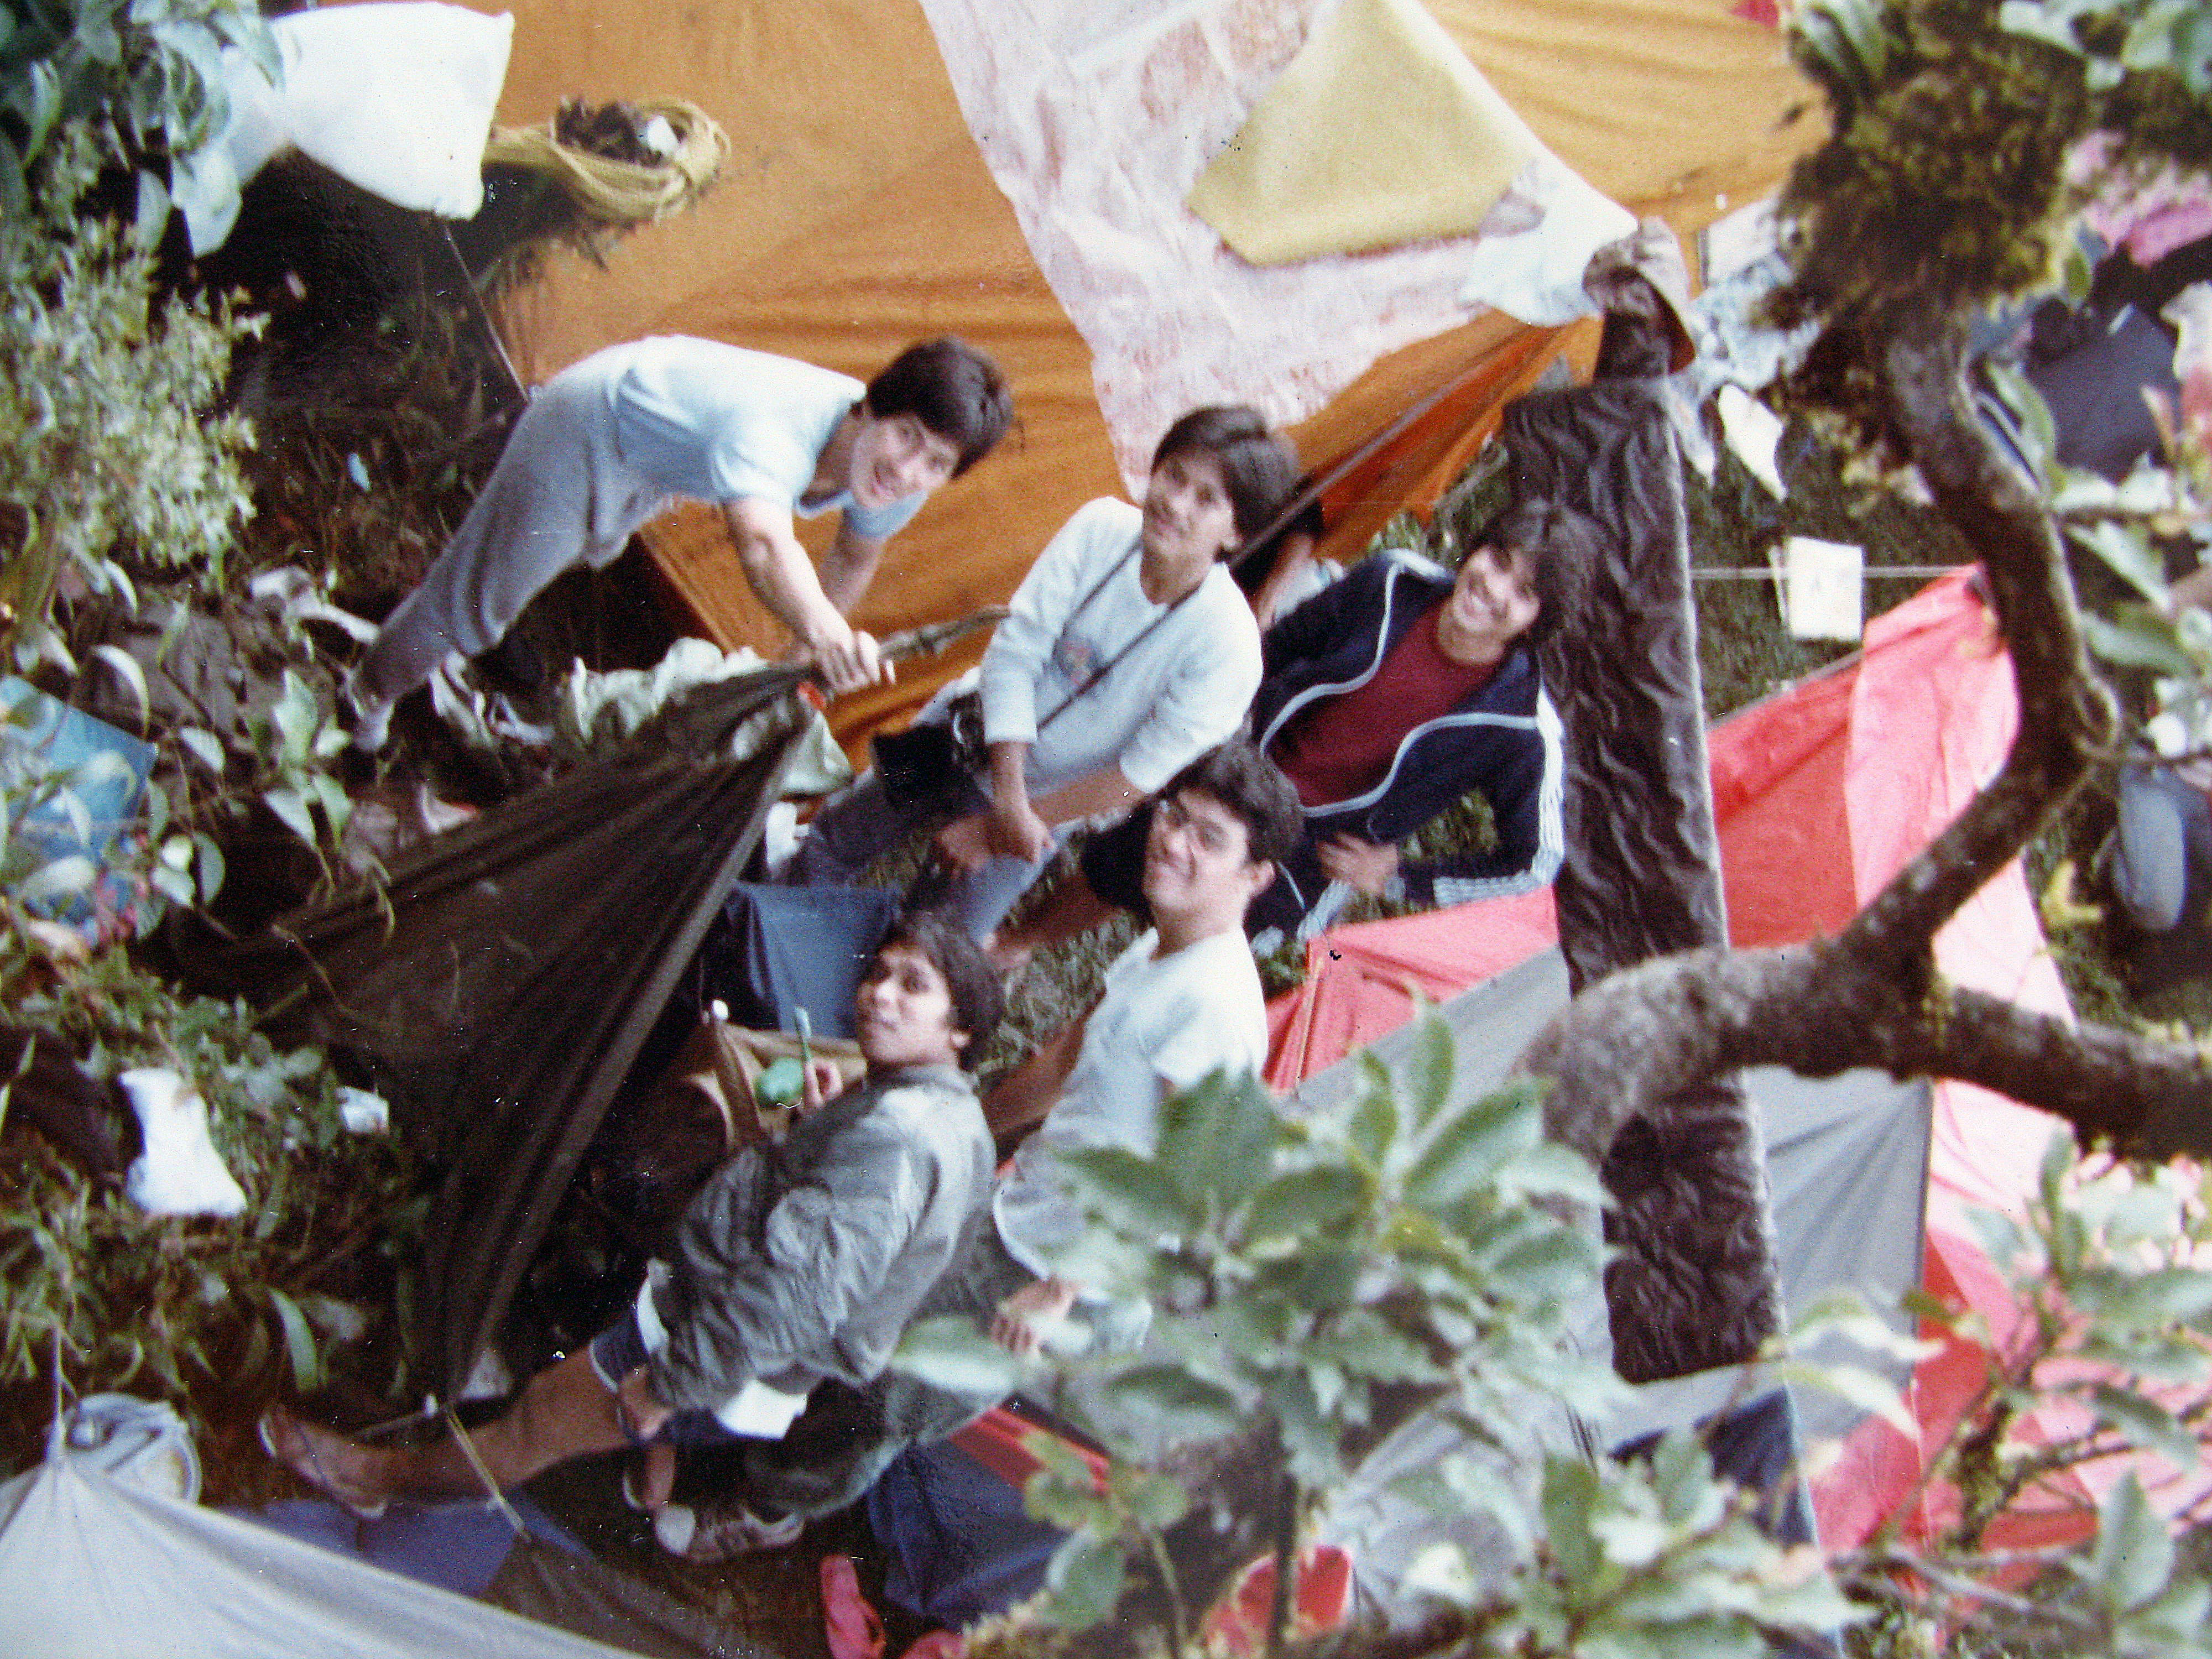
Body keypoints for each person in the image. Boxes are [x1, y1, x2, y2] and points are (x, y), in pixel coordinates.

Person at [259, 914, 1006, 1547]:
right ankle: (653, 1451)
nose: (880, 994)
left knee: (535, 1423)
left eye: (914, 986)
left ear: (960, 1030)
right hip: (755, 1355)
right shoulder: (957, 1121)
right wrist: (819, 1130)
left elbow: (798, 1296)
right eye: (879, 972)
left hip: (712, 1336)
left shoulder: (894, 1139)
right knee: (583, 1412)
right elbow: (881, 1251)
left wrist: (673, 1382)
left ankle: (373, 1480)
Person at [991, 498, 1589, 965]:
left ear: (1538, 622)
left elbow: (1535, 862)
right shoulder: (1393, 583)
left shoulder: (1521, 726)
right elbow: (1277, 647)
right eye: (1497, 561)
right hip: (1240, 772)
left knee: (1181, 970)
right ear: (1478, 548)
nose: (1493, 589)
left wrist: (1395, 876)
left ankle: (1089, 1055)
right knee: (1114, 870)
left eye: (1523, 593)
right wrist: (1217, 731)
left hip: (1303, 858)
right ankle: (1015, 947)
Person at [345, 335, 1013, 747]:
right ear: (873, 405)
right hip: (591, 425)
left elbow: (853, 555)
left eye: (935, 463)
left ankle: (438, 607)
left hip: (654, 463)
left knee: (542, 562)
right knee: (474, 607)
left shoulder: (901, 482)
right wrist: (828, 634)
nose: (907, 470)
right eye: (905, 436)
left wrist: (795, 664)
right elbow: (762, 546)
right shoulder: (777, 427)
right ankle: (362, 698)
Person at [784, 405, 1297, 938]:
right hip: (966, 732)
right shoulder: (1102, 525)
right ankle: (758, 932)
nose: (1176, 502)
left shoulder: (1229, 647)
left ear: (1237, 533)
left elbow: (1139, 778)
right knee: (835, 841)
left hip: (1048, 806)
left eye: (1207, 500)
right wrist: (1006, 802)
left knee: (938, 945)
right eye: (1174, 476)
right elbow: (1016, 651)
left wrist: (1000, 827)